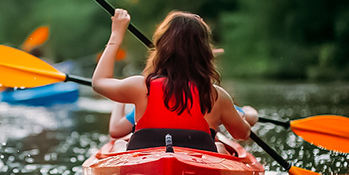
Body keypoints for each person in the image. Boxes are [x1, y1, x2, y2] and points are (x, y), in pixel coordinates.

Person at [93, 9, 258, 154]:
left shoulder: (141, 86)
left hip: (144, 159)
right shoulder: (217, 96)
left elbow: (99, 82)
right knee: (220, 148)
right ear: (205, 53)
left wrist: (116, 35)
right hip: (199, 164)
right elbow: (242, 134)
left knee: (120, 144)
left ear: (161, 48)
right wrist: (249, 115)